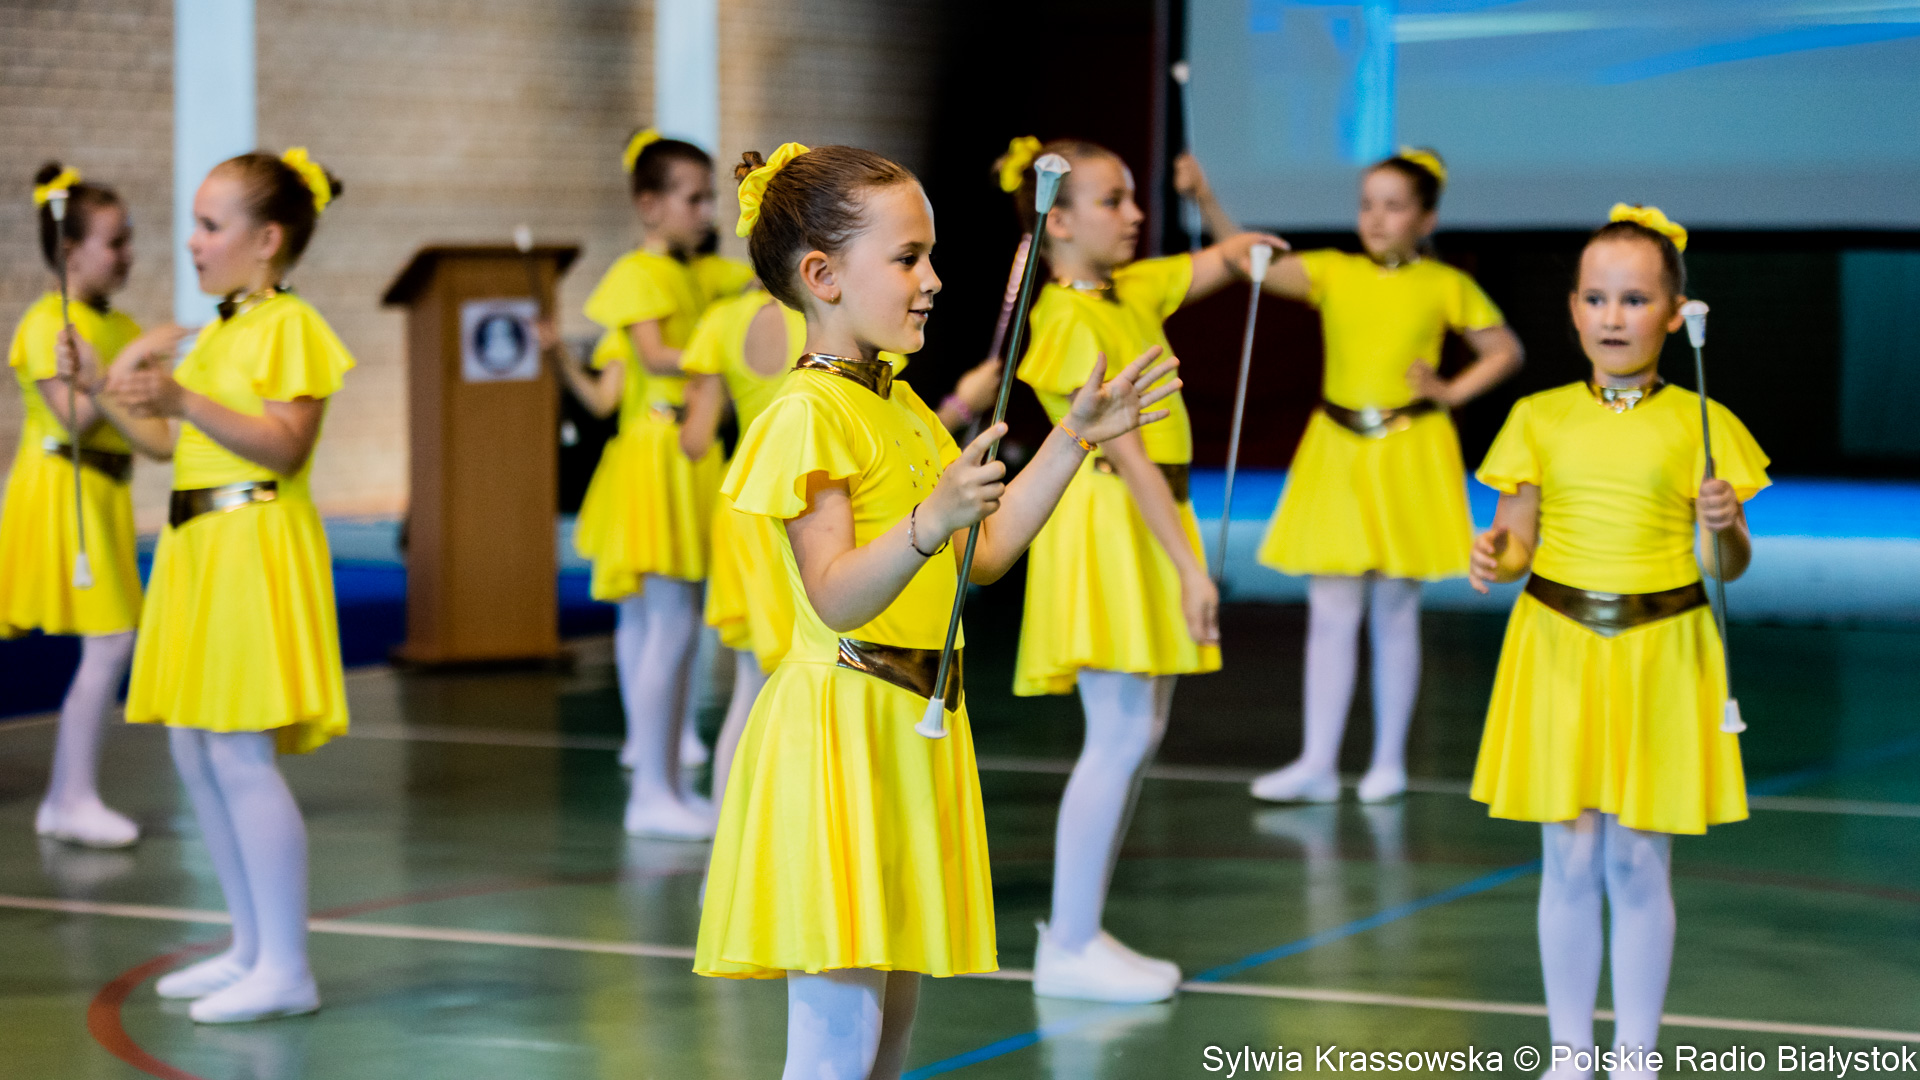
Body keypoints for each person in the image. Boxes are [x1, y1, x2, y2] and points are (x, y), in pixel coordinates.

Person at [693, 142, 1179, 1080]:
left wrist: (1073, 438)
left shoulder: (905, 405)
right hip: (837, 736)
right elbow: (835, 595)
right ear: (823, 276)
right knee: (836, 1048)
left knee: (888, 1040)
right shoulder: (807, 413)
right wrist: (928, 521)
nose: (933, 281)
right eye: (908, 258)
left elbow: (982, 556)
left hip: (907, 731)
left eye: (932, 257)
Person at [1468, 206, 1767, 1078]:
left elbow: (1726, 567)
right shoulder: (1538, 417)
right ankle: (1569, 1055)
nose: (1612, 316)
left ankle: (1636, 1056)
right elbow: (1518, 541)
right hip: (1556, 645)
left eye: (1635, 300)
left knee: (1639, 861)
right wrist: (1495, 554)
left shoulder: (1704, 423)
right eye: (1596, 298)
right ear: (1572, 309)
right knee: (1567, 858)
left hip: (1663, 650)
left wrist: (1724, 524)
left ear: (1675, 314)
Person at [1003, 136, 1279, 1002]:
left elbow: (1232, 257)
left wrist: (1216, 204)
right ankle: (1068, 942)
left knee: (1138, 733)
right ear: (1058, 221)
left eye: (1134, 197)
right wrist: (1192, 568)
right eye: (1112, 201)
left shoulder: (1131, 289)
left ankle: (1082, 932)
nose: (1134, 214)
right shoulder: (1066, 319)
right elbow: (1126, 458)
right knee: (1118, 733)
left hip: (1148, 519)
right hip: (1111, 523)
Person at [1179, 149, 1523, 805]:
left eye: (1394, 206)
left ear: (1426, 218)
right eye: (1367, 205)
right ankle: (1316, 762)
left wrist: (1451, 391)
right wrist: (1206, 198)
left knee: (1395, 609)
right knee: (1331, 610)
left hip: (1410, 447)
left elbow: (1504, 350)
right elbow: (1250, 261)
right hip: (1337, 448)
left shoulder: (1445, 283)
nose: (1376, 218)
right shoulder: (1335, 271)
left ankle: (1388, 762)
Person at [105, 148, 354, 1024]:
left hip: (253, 544)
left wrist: (181, 398)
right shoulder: (219, 331)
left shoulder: (290, 325)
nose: (193, 241)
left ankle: (286, 966)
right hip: (198, 547)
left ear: (267, 239)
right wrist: (108, 389)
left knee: (242, 755)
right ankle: (249, 948)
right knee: (195, 751)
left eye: (210, 226)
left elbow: (284, 446)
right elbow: (167, 445)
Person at [676, 288, 1000, 811]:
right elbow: (884, 455)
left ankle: (729, 833)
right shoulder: (850, 319)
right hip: (822, 506)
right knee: (802, 666)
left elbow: (694, 441)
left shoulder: (722, 321)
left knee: (753, 682)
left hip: (755, 503)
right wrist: (963, 404)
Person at [548, 129, 753, 839]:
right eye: (692, 199)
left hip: (687, 451)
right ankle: (652, 789)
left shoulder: (696, 275)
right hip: (656, 454)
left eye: (709, 199)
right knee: (666, 623)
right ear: (649, 205)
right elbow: (658, 353)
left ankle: (661, 773)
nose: (706, 212)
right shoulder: (637, 273)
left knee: (675, 624)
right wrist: (726, 347)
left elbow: (750, 281)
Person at [2, 163, 172, 848]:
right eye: (115, 241)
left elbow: (156, 437)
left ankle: (68, 798)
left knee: (112, 640)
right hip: (57, 494)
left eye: (130, 238)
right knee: (110, 640)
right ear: (71, 250)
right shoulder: (46, 323)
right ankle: (68, 799)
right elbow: (72, 418)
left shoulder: (119, 325)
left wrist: (136, 366)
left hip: (106, 495)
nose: (129, 254)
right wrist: (130, 362)